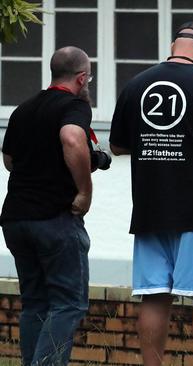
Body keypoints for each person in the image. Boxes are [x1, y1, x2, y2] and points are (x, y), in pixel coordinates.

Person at [109, 21, 193, 366]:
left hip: (150, 209)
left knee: (154, 297)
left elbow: (116, 146)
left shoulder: (136, 86)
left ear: (173, 46)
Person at [1, 46, 94, 366]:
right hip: (54, 220)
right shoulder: (75, 106)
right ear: (82, 78)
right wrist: (84, 191)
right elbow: (71, 139)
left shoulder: (23, 109)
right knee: (68, 304)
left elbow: (9, 160)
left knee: (36, 303)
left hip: (15, 220)